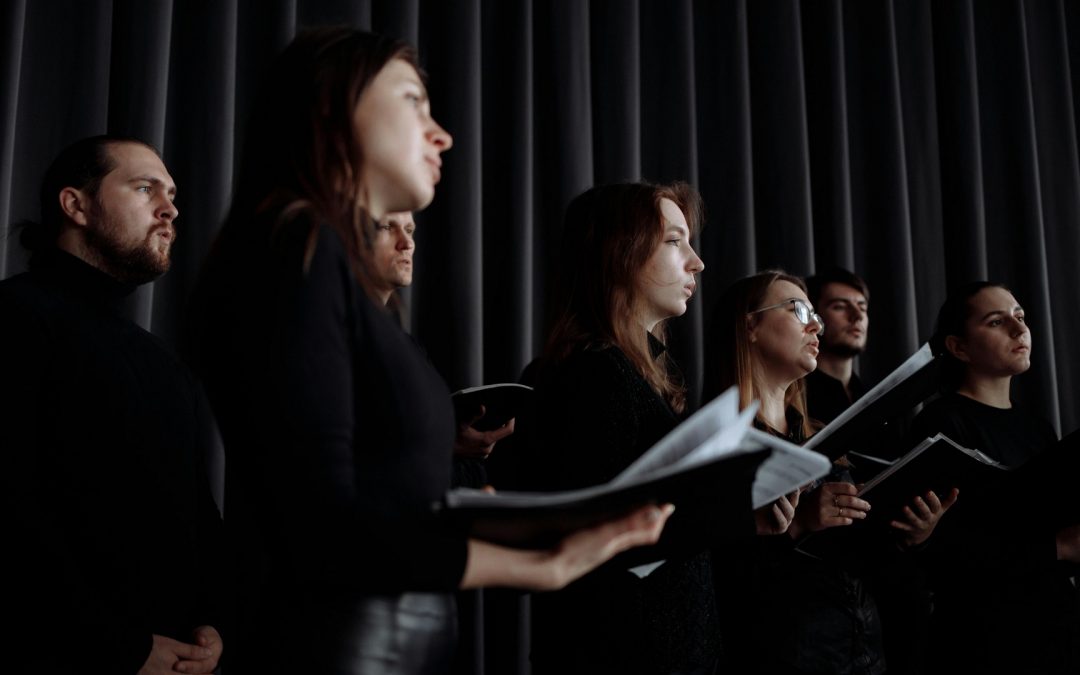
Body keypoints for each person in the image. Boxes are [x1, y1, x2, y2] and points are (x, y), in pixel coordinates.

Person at [188, 27, 671, 675]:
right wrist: (542, 563)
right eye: (414, 100)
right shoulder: (294, 246)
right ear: (332, 108)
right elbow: (325, 527)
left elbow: (365, 493)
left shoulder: (319, 261)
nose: (441, 134)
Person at [1, 135, 224, 674]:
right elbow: (7, 508)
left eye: (171, 194)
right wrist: (119, 647)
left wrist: (214, 625)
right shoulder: (13, 318)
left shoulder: (167, 368)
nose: (170, 208)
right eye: (145, 188)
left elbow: (200, 518)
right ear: (75, 205)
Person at [517, 181, 739, 674]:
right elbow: (602, 544)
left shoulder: (638, 372)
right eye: (674, 241)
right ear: (620, 253)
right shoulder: (592, 372)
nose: (697, 262)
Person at [702, 270, 954, 675]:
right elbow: (712, 580)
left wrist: (913, 535)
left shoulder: (821, 436)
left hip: (864, 651)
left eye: (815, 313)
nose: (815, 324)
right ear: (749, 326)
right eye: (797, 309)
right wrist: (799, 523)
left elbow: (862, 555)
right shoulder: (716, 442)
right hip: (783, 657)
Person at [910, 282, 1080, 675]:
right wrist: (1057, 547)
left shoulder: (1037, 427)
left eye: (1020, 317)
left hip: (1055, 627)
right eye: (996, 321)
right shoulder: (941, 423)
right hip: (986, 639)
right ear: (959, 347)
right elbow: (945, 552)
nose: (1019, 330)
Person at [803, 267, 870, 424]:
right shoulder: (795, 399)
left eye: (863, 308)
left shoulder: (874, 399)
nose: (858, 316)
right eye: (839, 306)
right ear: (812, 318)